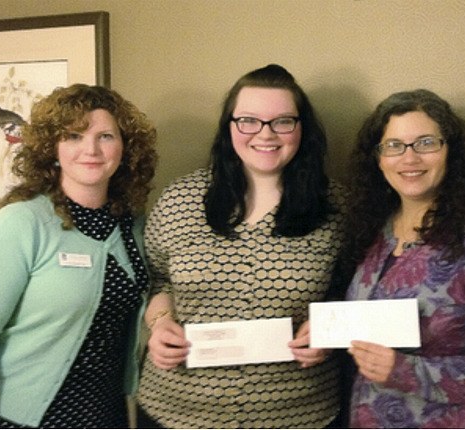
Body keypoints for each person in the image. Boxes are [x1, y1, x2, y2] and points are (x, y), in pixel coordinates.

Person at [136, 64, 347, 428]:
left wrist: (329, 328)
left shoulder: (337, 207)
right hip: (177, 411)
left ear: (302, 128)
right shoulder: (180, 200)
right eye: (248, 120)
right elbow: (156, 279)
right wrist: (160, 323)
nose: (265, 134)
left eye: (283, 121)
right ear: (229, 126)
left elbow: (355, 290)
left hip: (296, 414)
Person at [0, 84, 158, 428]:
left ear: (125, 147)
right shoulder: (20, 225)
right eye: (73, 136)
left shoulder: (132, 225)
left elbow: (156, 290)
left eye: (105, 136)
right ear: (52, 148)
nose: (91, 149)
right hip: (27, 420)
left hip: (107, 416)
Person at [338, 89, 465, 428]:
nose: (409, 157)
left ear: (450, 151)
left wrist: (407, 371)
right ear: (378, 158)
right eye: (394, 145)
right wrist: (325, 331)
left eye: (425, 143)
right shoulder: (376, 230)